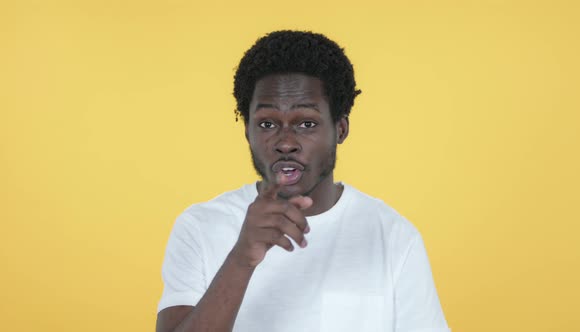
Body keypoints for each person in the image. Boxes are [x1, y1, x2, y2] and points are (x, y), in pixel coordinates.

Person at [156, 30, 450, 332]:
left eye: (306, 123)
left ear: (340, 129)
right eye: (267, 124)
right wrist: (242, 258)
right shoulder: (200, 227)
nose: (285, 143)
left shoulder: (393, 237)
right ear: (248, 131)